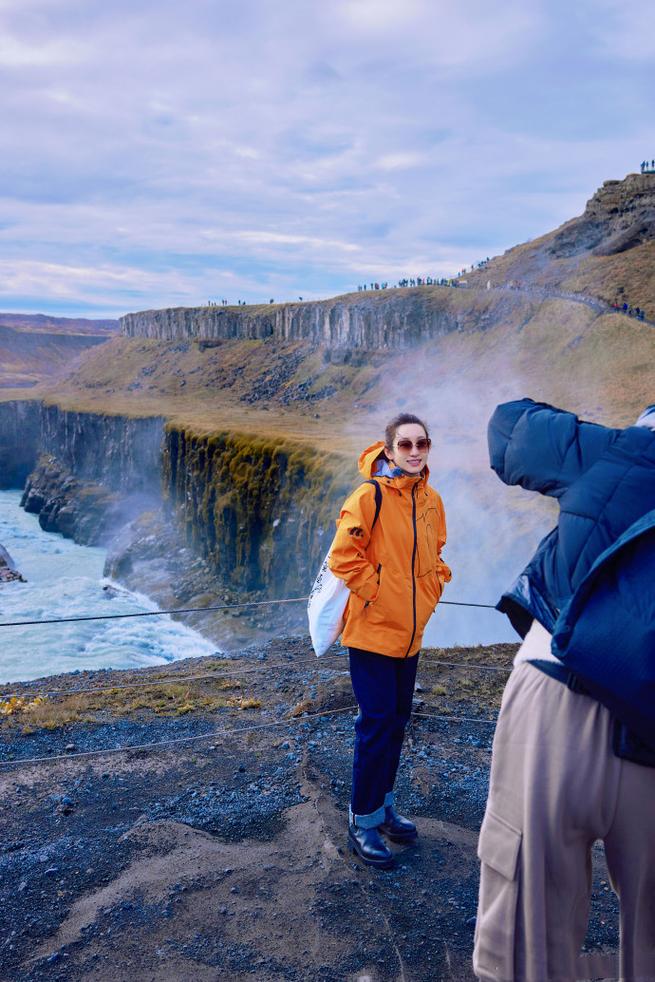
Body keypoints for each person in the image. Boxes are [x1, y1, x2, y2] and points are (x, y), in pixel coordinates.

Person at [474, 398, 655, 982]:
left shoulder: (617, 451)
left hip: (557, 701)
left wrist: (606, 432)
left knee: (530, 939)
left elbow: (508, 431)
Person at [328, 413, 451, 869]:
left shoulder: (432, 500)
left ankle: (382, 808)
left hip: (410, 636)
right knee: (376, 723)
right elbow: (344, 557)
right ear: (388, 449)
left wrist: (433, 588)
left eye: (422, 443)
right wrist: (379, 595)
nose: (414, 451)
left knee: (397, 721)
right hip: (373, 634)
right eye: (405, 445)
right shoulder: (369, 496)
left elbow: (436, 555)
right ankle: (362, 820)